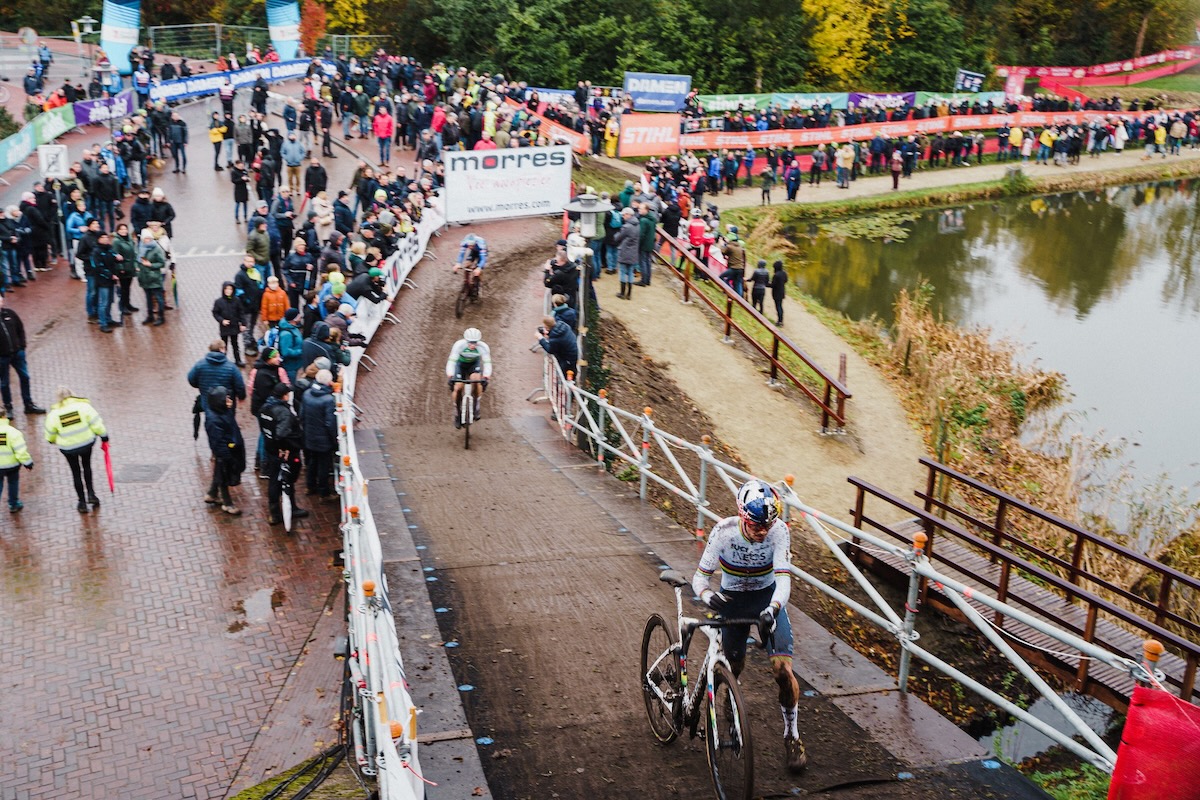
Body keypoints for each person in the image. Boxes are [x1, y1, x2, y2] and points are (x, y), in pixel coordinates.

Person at [692, 479, 807, 774]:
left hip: (767, 599)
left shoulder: (779, 531)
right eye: (757, 525)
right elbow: (700, 579)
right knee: (734, 667)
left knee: (783, 670)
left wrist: (773, 609)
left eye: (768, 524)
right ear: (742, 515)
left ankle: (792, 736)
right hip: (733, 600)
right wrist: (708, 597)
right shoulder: (723, 532)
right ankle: (731, 702)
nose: (763, 531)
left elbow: (783, 580)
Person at [44, 386, 108, 514]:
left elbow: (50, 433)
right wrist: (104, 435)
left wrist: (51, 440)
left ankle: (82, 502)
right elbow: (96, 423)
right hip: (86, 443)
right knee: (87, 467)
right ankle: (91, 494)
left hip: (68, 448)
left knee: (76, 472)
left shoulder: (54, 414)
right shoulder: (83, 407)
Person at [258, 383, 310, 526]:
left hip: (271, 450)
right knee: (288, 478)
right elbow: (281, 433)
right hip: (285, 452)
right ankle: (291, 508)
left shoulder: (264, 408)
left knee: (274, 480)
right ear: (285, 396)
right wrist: (284, 448)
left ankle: (275, 513)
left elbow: (264, 430)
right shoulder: (283, 412)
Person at [0, 295, 46, 416]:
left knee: (25, 377)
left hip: (17, 353)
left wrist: (22, 347)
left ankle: (28, 404)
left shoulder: (10, 314)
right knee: (4, 383)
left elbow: (20, 329)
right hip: (2, 357)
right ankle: (8, 407)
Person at [203, 386, 244, 516]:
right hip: (226, 451)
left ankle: (212, 493)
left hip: (228, 449)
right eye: (227, 399)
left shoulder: (223, 411)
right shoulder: (215, 419)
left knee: (220, 471)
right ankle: (227, 503)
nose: (230, 401)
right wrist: (226, 455)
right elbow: (218, 441)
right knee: (224, 475)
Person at [299, 368, 337, 500]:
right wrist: (334, 439)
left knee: (312, 462)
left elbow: (302, 415)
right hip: (323, 440)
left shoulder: (307, 394)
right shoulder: (328, 400)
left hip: (310, 436)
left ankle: (310, 486)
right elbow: (330, 423)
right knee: (323, 466)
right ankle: (324, 492)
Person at [445, 327, 492, 429]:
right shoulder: (459, 345)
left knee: (476, 379)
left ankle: (477, 405)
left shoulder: (483, 347)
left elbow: (487, 362)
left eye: (475, 343)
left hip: (474, 364)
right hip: (460, 365)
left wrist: (486, 376)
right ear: (466, 340)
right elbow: (452, 361)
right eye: (470, 342)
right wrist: (450, 375)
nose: (472, 345)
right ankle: (457, 413)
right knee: (457, 388)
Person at [188, 340, 247, 411]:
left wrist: (201, 385)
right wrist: (241, 397)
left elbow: (191, 379)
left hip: (207, 401)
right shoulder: (231, 367)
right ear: (221, 349)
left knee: (210, 418)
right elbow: (239, 385)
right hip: (226, 403)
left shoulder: (200, 365)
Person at [0, 409, 34, 512]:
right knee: (13, 482)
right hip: (12, 465)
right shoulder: (13, 432)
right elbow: (21, 451)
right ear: (4, 417)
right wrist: (28, 463)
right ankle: (13, 504)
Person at [537, 314, 578, 378]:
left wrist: (541, 339)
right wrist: (549, 334)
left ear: (547, 327)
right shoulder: (563, 325)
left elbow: (550, 350)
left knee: (564, 376)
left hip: (567, 360)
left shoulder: (555, 339)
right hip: (572, 354)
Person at [614, 207, 639, 299]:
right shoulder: (637, 225)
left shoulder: (626, 227)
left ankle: (622, 293)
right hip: (633, 252)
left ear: (628, 215)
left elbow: (618, 238)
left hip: (625, 251)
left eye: (624, 215)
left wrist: (616, 234)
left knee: (623, 272)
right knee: (630, 273)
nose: (623, 217)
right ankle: (629, 294)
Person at [770, 260, 788, 325]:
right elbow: (786, 280)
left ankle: (779, 321)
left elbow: (772, 285)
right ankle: (781, 320)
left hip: (776, 293)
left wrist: (766, 284)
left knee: (778, 307)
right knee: (780, 306)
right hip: (782, 291)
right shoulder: (784, 273)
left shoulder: (776, 275)